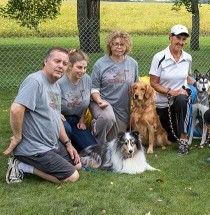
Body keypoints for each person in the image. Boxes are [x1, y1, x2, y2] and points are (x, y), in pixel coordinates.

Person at [4, 47, 81, 184]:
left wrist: (68, 144)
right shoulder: (35, 81)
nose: (60, 66)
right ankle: (21, 165)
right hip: (34, 148)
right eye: (57, 61)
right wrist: (17, 136)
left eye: (64, 64)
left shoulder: (55, 86)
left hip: (51, 145)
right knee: (72, 177)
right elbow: (16, 110)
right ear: (46, 61)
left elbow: (56, 118)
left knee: (77, 165)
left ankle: (38, 161)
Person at [149, 24, 196, 155]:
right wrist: (171, 91)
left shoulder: (188, 58)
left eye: (184, 39)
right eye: (178, 38)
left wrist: (198, 84)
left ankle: (184, 141)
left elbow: (186, 76)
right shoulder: (159, 57)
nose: (181, 42)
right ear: (170, 37)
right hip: (163, 104)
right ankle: (177, 133)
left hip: (180, 100)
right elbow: (153, 83)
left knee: (182, 98)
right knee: (169, 137)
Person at [89, 30, 139, 145]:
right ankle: (100, 147)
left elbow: (136, 87)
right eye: (115, 44)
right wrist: (99, 100)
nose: (119, 47)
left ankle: (98, 126)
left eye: (122, 44)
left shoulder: (133, 64)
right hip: (103, 104)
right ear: (110, 45)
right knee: (107, 118)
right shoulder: (100, 64)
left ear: (127, 46)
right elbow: (94, 88)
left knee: (115, 142)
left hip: (122, 110)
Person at [57, 49, 97, 152]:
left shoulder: (87, 79)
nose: (82, 71)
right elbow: (48, 101)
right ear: (70, 66)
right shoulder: (59, 82)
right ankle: (63, 148)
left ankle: (74, 144)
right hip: (61, 120)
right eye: (79, 67)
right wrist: (55, 113)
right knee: (66, 130)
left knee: (92, 149)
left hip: (76, 120)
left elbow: (85, 102)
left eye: (85, 68)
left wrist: (82, 120)